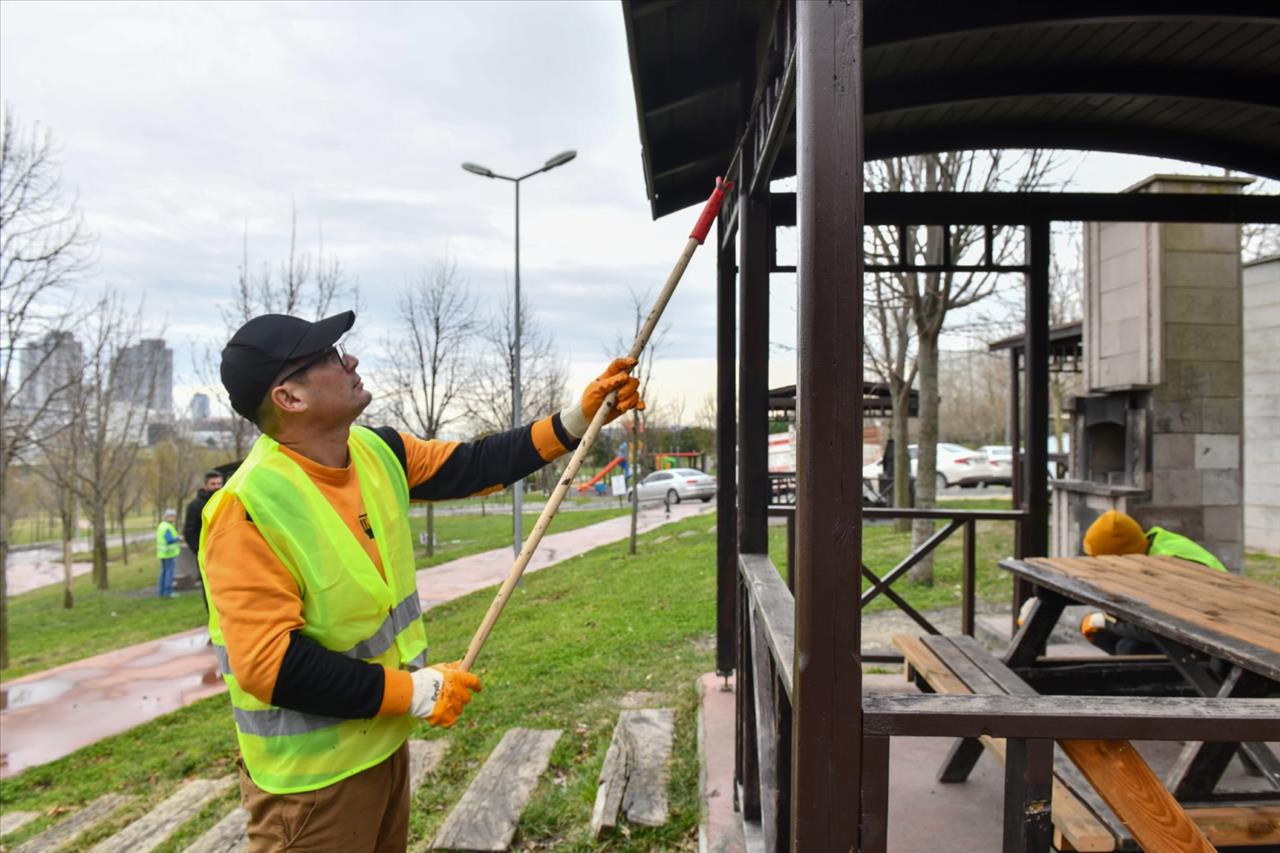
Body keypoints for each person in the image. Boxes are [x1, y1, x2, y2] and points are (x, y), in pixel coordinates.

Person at [200, 310, 643, 852]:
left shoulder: (376, 452)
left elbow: (474, 464)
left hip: (383, 749)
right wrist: (413, 692)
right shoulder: (245, 509)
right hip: (310, 788)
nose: (351, 361)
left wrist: (576, 418)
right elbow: (272, 666)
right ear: (290, 398)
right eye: (331, 357)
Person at [1077, 509, 1226, 654]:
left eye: (1104, 563)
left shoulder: (1167, 567)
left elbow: (1162, 628)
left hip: (1214, 635)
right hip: (1193, 624)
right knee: (1103, 633)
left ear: (1121, 558)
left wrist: (1105, 621)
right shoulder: (1147, 544)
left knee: (1128, 648)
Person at [183, 470, 224, 553]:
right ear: (205, 486)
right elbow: (189, 532)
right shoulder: (195, 506)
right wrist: (200, 551)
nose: (217, 486)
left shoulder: (225, 502)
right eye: (213, 484)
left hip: (225, 552)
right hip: (207, 554)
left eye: (219, 484)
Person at [156, 509, 180, 598]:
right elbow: (169, 540)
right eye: (173, 516)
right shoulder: (167, 527)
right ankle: (168, 592)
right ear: (168, 516)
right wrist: (178, 538)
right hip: (168, 554)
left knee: (163, 572)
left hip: (163, 553)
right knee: (169, 573)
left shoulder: (162, 525)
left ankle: (161, 591)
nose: (174, 518)